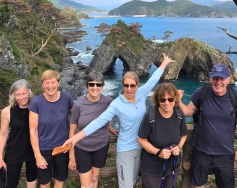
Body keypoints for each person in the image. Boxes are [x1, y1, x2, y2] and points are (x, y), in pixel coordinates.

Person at [62, 53, 175, 188]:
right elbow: (99, 121)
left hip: (142, 148)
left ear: (137, 85)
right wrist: (75, 138)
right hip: (126, 149)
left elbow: (153, 80)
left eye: (132, 86)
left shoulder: (141, 93)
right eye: (126, 85)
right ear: (122, 85)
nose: (129, 89)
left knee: (132, 182)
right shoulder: (116, 103)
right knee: (125, 185)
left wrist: (164, 63)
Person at [178, 63, 237, 188]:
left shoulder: (236, 97)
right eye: (215, 78)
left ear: (228, 79)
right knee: (198, 185)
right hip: (201, 150)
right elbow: (188, 112)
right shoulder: (202, 93)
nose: (218, 82)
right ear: (210, 79)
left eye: (222, 78)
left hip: (225, 152)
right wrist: (178, 101)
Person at [29, 70, 74, 188]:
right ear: (42, 84)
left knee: (60, 180)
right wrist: (38, 156)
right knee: (44, 183)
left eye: (53, 82)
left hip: (62, 148)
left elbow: (76, 119)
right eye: (46, 83)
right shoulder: (36, 103)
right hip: (44, 150)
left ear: (58, 83)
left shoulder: (66, 98)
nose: (50, 86)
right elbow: (33, 131)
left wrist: (70, 144)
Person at [138, 82, 188, 188]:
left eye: (170, 99)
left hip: (172, 166)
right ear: (158, 100)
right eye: (163, 99)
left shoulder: (179, 115)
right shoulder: (150, 116)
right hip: (152, 167)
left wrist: (178, 147)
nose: (167, 103)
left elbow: (184, 135)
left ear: (175, 100)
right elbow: (141, 140)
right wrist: (158, 152)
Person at [68, 71, 113, 188]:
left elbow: (111, 115)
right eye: (92, 84)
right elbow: (72, 131)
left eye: (98, 85)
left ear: (102, 86)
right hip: (82, 148)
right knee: (85, 183)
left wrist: (110, 126)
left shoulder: (108, 102)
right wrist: (71, 156)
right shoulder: (79, 104)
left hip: (101, 146)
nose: (95, 87)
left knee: (94, 177)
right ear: (87, 85)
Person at [0, 79, 37, 188]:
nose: (21, 97)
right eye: (18, 94)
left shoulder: (36, 109)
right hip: (14, 150)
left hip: (33, 149)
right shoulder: (7, 112)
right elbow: (3, 135)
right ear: (13, 95)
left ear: (29, 92)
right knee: (12, 182)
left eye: (24, 93)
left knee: (32, 177)